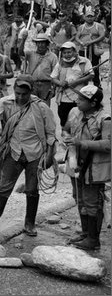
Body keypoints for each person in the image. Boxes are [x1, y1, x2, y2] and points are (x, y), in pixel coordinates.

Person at [0, 75, 56, 236]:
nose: (20, 97)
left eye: (24, 94)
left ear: (31, 92)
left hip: (35, 153)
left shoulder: (41, 107)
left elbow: (51, 134)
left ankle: (29, 223)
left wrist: (50, 156)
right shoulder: (5, 102)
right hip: (13, 151)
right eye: (17, 93)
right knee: (4, 187)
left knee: (32, 189)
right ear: (14, 90)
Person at [62, 85, 111, 250]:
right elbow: (66, 129)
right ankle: (85, 233)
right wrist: (66, 138)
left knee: (92, 202)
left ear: (93, 103)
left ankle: (93, 239)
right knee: (80, 198)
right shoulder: (75, 113)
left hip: (94, 167)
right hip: (76, 163)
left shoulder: (105, 119)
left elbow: (108, 144)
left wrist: (81, 143)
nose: (77, 101)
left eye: (82, 99)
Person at [51, 42, 93, 127]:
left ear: (74, 51)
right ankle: (66, 139)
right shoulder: (60, 63)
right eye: (64, 53)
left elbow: (91, 75)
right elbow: (53, 78)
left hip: (80, 98)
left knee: (80, 121)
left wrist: (76, 82)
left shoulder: (84, 61)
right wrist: (60, 83)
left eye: (69, 52)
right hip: (64, 99)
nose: (67, 55)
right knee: (64, 120)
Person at [23, 33, 58, 106]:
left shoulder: (52, 57)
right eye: (38, 43)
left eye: (43, 43)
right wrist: (23, 39)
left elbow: (55, 73)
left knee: (44, 108)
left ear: (47, 44)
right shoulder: (31, 54)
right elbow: (20, 52)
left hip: (46, 85)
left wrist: (53, 89)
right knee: (32, 107)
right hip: (33, 84)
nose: (40, 45)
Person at [76, 9, 106, 87]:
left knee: (95, 66)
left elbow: (102, 36)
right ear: (85, 17)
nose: (89, 18)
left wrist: (92, 42)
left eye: (91, 16)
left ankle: (97, 84)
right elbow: (77, 37)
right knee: (82, 66)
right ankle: (83, 84)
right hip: (83, 49)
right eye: (88, 16)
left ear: (94, 17)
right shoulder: (81, 27)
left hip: (94, 49)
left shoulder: (98, 26)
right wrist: (80, 42)